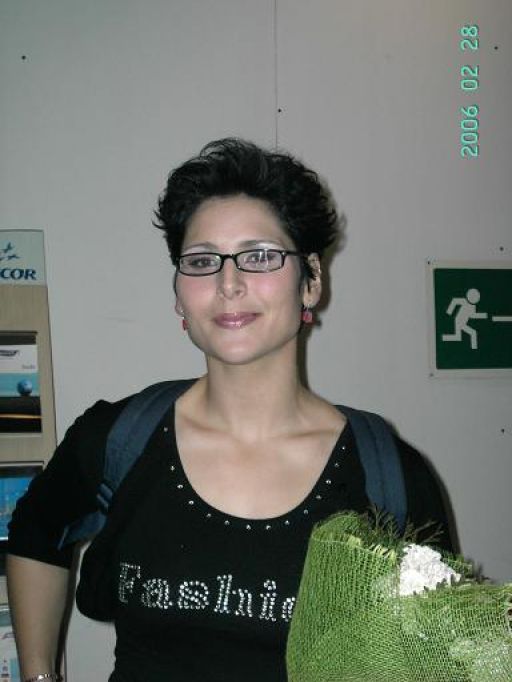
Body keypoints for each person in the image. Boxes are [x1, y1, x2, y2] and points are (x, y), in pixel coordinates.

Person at [7, 138, 455, 682]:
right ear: (179, 295)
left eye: (260, 256)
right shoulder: (118, 438)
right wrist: (38, 676)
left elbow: (438, 655)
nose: (228, 283)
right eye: (201, 261)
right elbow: (35, 532)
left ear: (311, 280)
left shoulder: (388, 475)